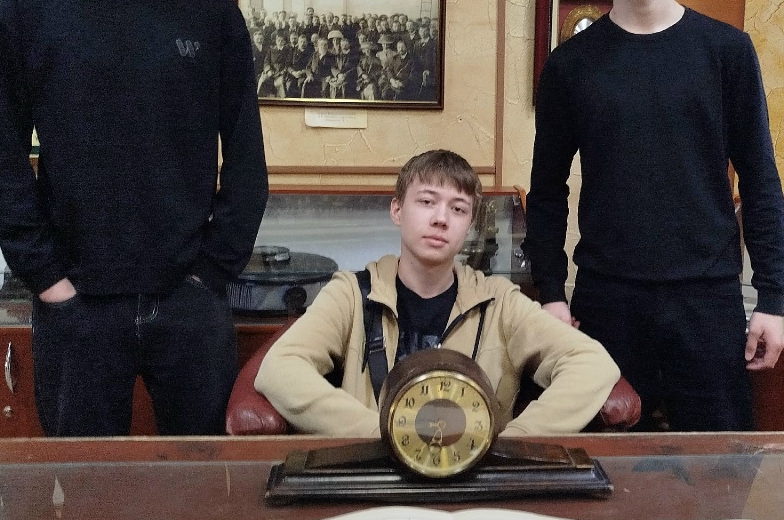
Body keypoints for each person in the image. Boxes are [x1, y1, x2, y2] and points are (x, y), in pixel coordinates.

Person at [0, 0, 268, 437]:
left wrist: (211, 276)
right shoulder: (29, 13)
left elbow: (246, 162)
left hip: (189, 303)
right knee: (86, 482)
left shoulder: (212, 19)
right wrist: (49, 284)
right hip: (76, 304)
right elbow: (1, 163)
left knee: (203, 480)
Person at [525, 0, 784, 433]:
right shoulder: (571, 66)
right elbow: (546, 190)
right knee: (606, 470)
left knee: (719, 469)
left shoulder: (726, 52)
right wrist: (550, 293)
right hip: (607, 299)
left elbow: (760, 179)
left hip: (708, 299)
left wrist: (772, 297)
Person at [255, 150, 619, 436]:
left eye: (458, 209)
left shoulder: (499, 301)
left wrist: (511, 442)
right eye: (427, 202)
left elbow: (593, 364)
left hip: (473, 485)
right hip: (374, 479)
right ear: (397, 210)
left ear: (470, 224)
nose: (441, 218)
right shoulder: (351, 293)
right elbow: (279, 370)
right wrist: (381, 436)